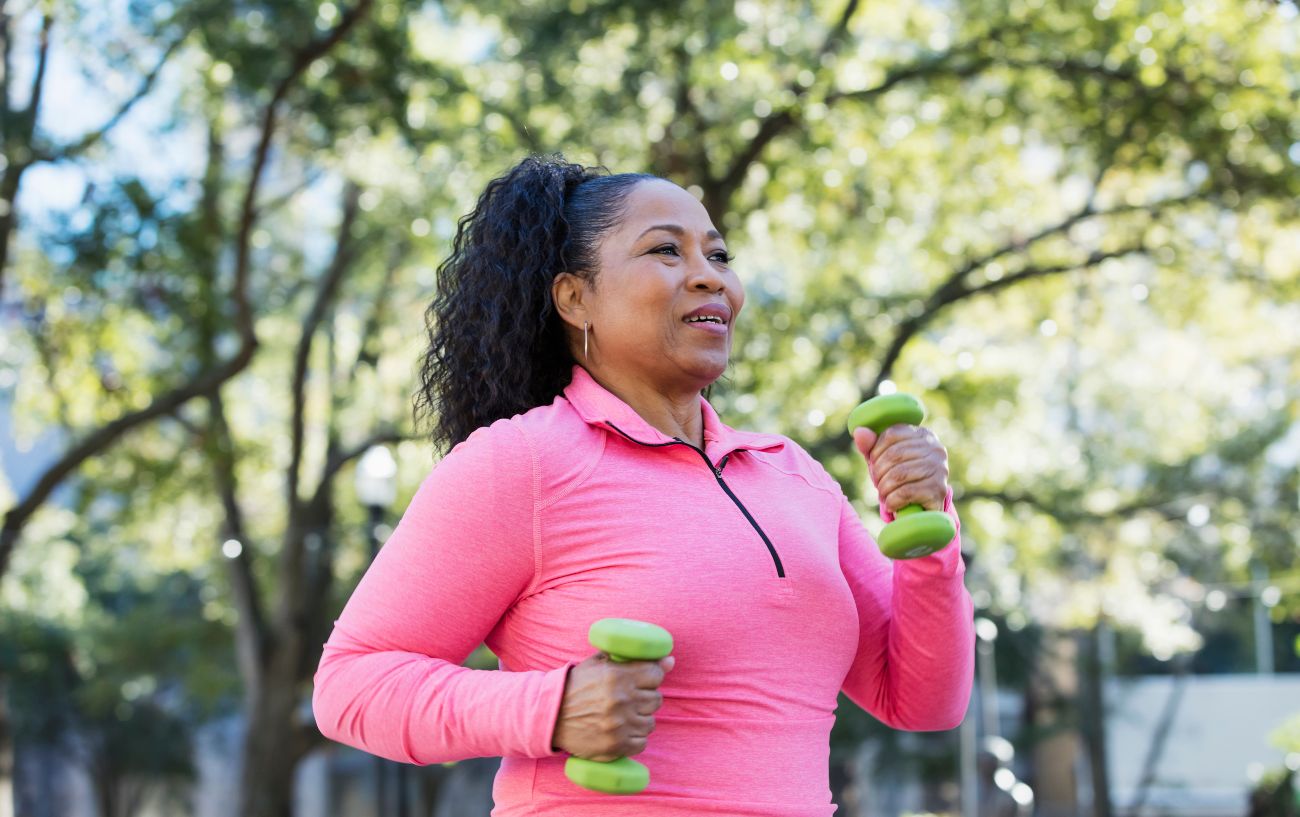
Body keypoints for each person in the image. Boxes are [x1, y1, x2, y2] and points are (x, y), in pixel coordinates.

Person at [311, 153, 975, 816]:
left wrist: (924, 528)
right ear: (576, 298)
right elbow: (350, 684)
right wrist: (553, 707)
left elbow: (921, 700)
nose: (709, 277)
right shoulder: (524, 461)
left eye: (719, 255)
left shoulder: (793, 474)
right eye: (666, 250)